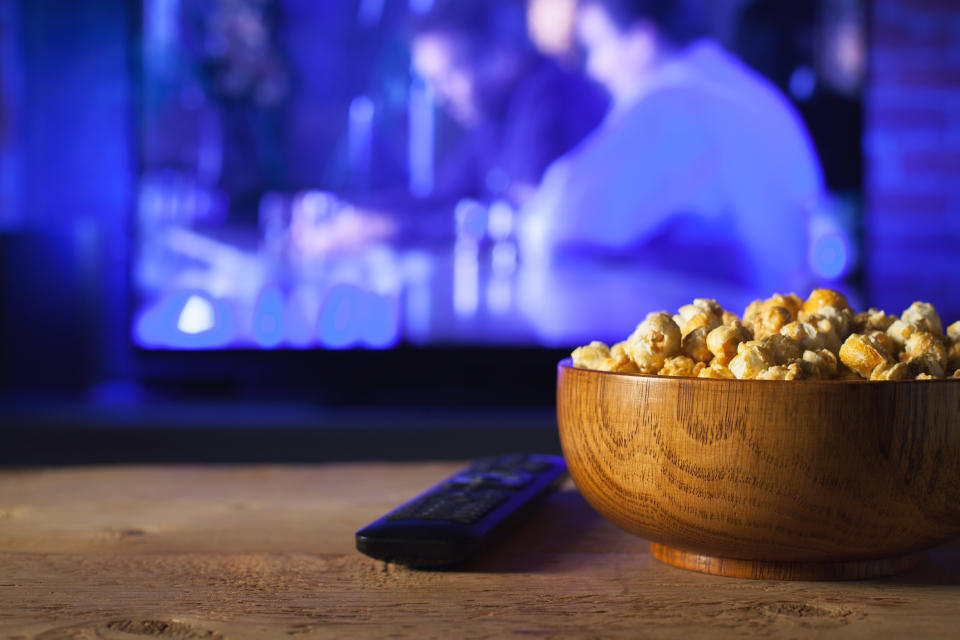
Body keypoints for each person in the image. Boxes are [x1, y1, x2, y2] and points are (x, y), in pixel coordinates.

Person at [518, 0, 825, 329]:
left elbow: (555, 223)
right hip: (782, 332)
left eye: (598, 46)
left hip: (732, 348)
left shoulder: (671, 101)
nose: (595, 69)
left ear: (642, 41)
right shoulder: (747, 89)